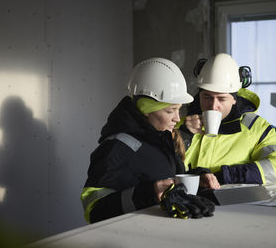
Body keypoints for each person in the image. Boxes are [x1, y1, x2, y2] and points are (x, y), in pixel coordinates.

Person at [81, 57, 214, 223]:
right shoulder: (115, 148)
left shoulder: (163, 139)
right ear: (146, 109)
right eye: (170, 111)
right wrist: (148, 194)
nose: (177, 118)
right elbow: (95, 210)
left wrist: (198, 177)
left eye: (179, 110)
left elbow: (166, 179)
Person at [179, 53, 276, 189]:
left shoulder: (256, 128)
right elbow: (159, 168)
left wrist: (225, 176)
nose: (213, 106)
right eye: (207, 97)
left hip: (234, 207)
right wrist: (184, 135)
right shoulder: (181, 125)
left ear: (234, 99)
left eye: (221, 99)